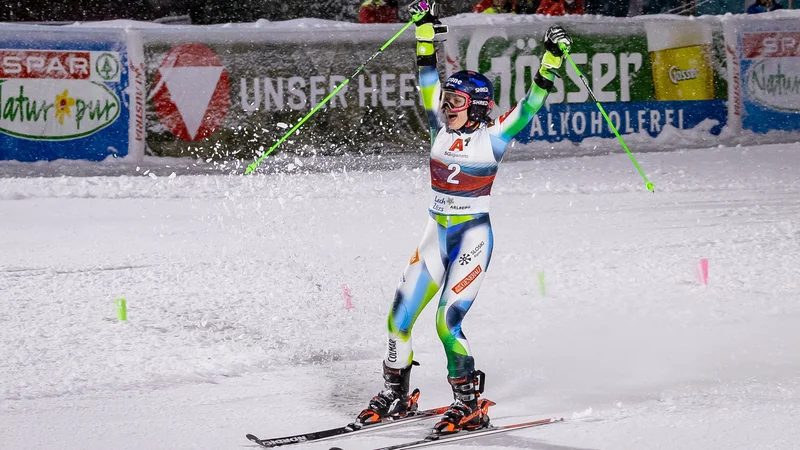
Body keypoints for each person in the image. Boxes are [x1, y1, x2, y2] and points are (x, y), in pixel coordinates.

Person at [356, 0, 572, 436]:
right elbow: (427, 79)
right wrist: (424, 32)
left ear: (475, 107)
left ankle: (470, 404)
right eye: (447, 99)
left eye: (455, 101)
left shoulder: (494, 137)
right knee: (398, 319)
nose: (446, 105)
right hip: (436, 232)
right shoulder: (440, 127)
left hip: (472, 237)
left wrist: (551, 59)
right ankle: (397, 392)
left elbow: (530, 104)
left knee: (446, 322)